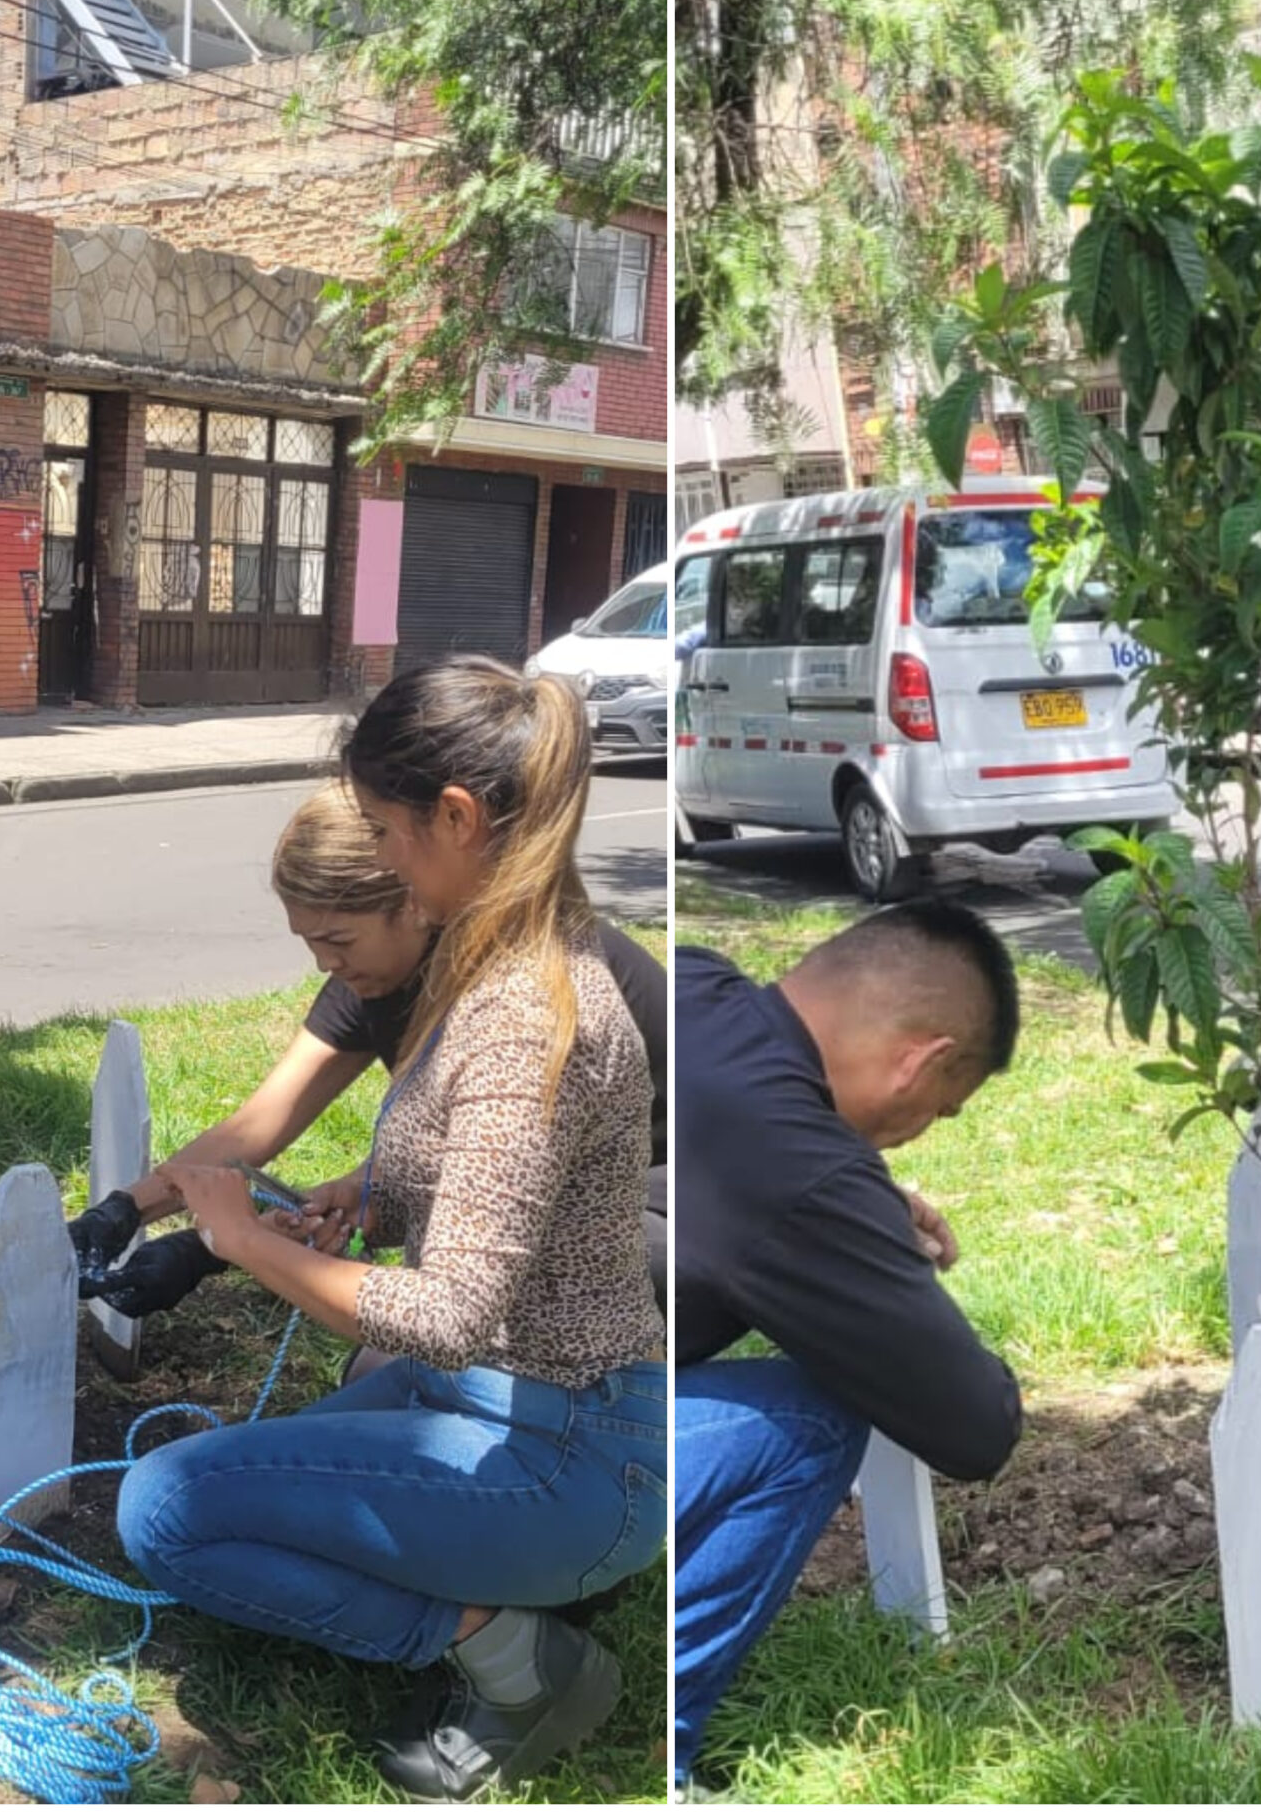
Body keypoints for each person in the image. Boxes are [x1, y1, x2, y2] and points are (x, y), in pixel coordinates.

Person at [83, 659, 664, 1801]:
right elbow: (506, 1186)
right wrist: (376, 1197)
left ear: (455, 820)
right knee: (263, 1485)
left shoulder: (519, 1018)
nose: (382, 850)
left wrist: (243, 1242)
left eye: (390, 830)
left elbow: (448, 1315)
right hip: (515, 1403)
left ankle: (519, 1659)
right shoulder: (503, 961)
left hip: (562, 1446)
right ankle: (507, 1587)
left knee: (167, 1509)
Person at [67, 782, 668, 1327]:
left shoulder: (516, 999)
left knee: (418, 1348)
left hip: (654, 1212)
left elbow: (494, 1187)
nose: (324, 964)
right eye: (309, 941)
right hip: (530, 1191)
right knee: (375, 1372)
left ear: (409, 901)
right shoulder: (379, 970)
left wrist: (221, 1244)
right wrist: (125, 1209)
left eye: (337, 940)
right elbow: (256, 1125)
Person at [672, 901, 1025, 1792]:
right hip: (535, 1433)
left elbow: (719, 1178)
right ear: (925, 1061)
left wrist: (862, 1203)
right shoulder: (806, 1174)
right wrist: (849, 1211)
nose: (917, 1132)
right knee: (819, 1418)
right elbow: (975, 1427)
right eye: (940, 1111)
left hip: (425, 1358)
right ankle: (662, 1754)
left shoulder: (694, 982)